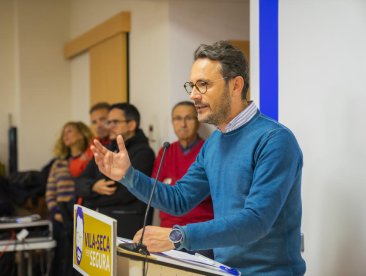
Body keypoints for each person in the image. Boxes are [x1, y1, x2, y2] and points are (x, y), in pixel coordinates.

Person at [90, 41, 306, 275]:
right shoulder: (214, 142)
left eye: (203, 85)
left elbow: (256, 221)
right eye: (191, 86)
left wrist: (177, 236)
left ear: (236, 85)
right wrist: (128, 176)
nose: (193, 95)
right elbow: (181, 198)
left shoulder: (274, 139)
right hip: (224, 270)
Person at [75, 103, 155, 239]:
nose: (109, 126)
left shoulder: (144, 153)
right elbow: (79, 182)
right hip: (99, 225)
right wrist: (93, 186)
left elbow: (125, 193)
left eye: (115, 122)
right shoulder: (107, 148)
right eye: (108, 122)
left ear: (131, 125)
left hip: (127, 228)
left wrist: (89, 200)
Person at [152, 101, 213, 228]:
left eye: (189, 118)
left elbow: (211, 191)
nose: (183, 124)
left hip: (200, 228)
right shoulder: (165, 151)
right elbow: (156, 191)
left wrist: (171, 183)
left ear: (198, 121)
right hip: (168, 228)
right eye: (178, 119)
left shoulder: (209, 149)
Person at [45, 121, 93, 276]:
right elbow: (50, 191)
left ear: (82, 134)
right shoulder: (58, 163)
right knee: (61, 261)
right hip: (60, 217)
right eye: (64, 133)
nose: (65, 135)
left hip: (82, 217)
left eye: (70, 131)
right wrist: (55, 212)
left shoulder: (89, 161)